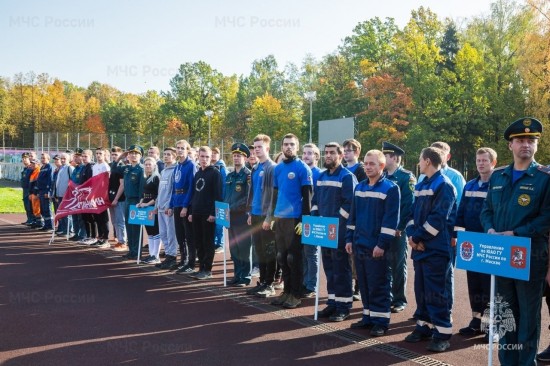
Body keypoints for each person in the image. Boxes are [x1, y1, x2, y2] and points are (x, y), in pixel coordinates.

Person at [481, 117, 550, 365]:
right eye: (520, 140)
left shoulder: (545, 177)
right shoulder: (498, 177)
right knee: (506, 313)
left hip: (530, 257)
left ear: (536, 146)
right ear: (510, 145)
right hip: (501, 256)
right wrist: (489, 229)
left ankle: (525, 362)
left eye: (531, 140)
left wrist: (516, 233)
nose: (526, 145)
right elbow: (486, 210)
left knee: (529, 317)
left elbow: (547, 217)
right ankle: (508, 361)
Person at [404, 146, 456, 352]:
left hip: (436, 249)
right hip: (420, 247)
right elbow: (411, 212)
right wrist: (411, 235)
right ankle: (423, 326)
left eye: (419, 159)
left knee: (436, 292)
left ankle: (442, 333)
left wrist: (417, 237)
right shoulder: (422, 183)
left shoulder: (444, 184)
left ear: (427, 161)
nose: (418, 162)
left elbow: (438, 218)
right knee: (421, 289)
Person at [345, 150, 399, 336]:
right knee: (365, 283)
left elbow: (390, 221)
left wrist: (382, 245)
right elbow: (352, 217)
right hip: (359, 244)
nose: (367, 167)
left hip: (376, 247)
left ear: (381, 166)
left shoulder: (391, 189)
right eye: (366, 163)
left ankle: (381, 321)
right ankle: (367, 316)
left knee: (379, 283)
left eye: (372, 164)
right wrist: (349, 239)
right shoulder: (359, 187)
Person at [454, 147, 497, 339]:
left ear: (493, 163)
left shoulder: (498, 185)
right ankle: (476, 321)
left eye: (484, 160)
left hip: (489, 243)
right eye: (478, 160)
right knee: (474, 285)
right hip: (470, 243)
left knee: (490, 285)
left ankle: (492, 325)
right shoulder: (470, 185)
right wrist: (455, 233)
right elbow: (460, 211)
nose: (480, 164)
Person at [313, 142, 357, 322]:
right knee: (329, 268)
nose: (328, 155)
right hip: (324, 231)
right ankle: (332, 302)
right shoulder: (322, 176)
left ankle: (343, 306)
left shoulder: (347, 177)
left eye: (332, 153)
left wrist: (335, 222)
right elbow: (315, 200)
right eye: (326, 153)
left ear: (340, 155)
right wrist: (315, 216)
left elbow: (350, 204)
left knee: (341, 269)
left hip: (339, 232)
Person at [270, 133, 313, 309]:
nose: (288, 147)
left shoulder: (303, 169)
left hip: (295, 220)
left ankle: (296, 294)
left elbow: (308, 199)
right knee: (281, 257)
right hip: (280, 219)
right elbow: (275, 195)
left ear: (297, 147)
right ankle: (286, 292)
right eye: (286, 144)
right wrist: (272, 216)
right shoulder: (278, 169)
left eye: (292, 144)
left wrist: (304, 221)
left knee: (293, 258)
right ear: (281, 147)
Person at [382, 142, 416, 313]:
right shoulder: (382, 176)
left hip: (397, 230)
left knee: (397, 264)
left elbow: (408, 205)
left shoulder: (405, 177)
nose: (383, 158)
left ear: (394, 157)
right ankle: (385, 296)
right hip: (382, 229)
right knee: (383, 263)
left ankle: (399, 299)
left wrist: (400, 227)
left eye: (385, 155)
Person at [246, 134, 277, 297]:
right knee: (259, 251)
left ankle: (269, 284)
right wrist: (250, 212)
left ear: (267, 148)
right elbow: (252, 193)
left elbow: (273, 196)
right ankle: (262, 281)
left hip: (266, 217)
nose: (256, 150)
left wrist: (269, 218)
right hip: (255, 214)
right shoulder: (255, 168)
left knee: (268, 251)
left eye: (259, 147)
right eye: (255, 147)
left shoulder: (272, 168)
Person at [188, 146, 223, 280]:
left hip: (208, 214)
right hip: (196, 212)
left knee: (208, 242)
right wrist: (191, 211)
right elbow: (195, 194)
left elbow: (218, 195)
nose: (204, 159)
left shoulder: (215, 173)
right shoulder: (198, 173)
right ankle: (201, 267)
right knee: (198, 242)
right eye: (202, 156)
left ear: (211, 157)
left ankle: (207, 269)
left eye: (207, 157)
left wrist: (213, 213)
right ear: (198, 156)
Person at [342, 138, 367, 301]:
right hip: (344, 219)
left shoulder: (362, 170)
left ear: (357, 152)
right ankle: (348, 285)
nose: (345, 153)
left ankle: (358, 288)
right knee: (345, 254)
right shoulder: (343, 170)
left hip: (356, 218)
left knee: (356, 255)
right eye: (344, 150)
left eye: (349, 150)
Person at [225, 143, 252, 286]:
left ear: (245, 158)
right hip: (230, 216)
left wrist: (245, 212)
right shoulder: (229, 176)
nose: (236, 158)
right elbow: (226, 196)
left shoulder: (248, 175)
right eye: (235, 156)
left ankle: (245, 276)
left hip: (242, 215)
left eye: (239, 156)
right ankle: (237, 274)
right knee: (234, 247)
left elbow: (248, 196)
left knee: (243, 247)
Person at [112, 145, 145, 260]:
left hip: (136, 201)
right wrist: (121, 156)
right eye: (131, 153)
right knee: (129, 227)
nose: (133, 155)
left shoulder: (141, 169)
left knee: (135, 228)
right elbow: (114, 168)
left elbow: (141, 188)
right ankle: (131, 251)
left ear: (141, 156)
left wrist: (140, 202)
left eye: (136, 153)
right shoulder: (127, 168)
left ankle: (137, 252)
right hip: (127, 200)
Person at [169, 139, 197, 273]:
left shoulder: (191, 165)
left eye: (182, 148)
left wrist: (186, 206)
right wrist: (171, 204)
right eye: (178, 148)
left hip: (186, 203)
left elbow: (192, 187)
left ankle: (191, 262)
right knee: (179, 234)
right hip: (177, 202)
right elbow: (174, 187)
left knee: (189, 235)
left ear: (187, 150)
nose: (180, 150)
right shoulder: (177, 166)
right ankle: (183, 260)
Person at [301, 143, 322, 298]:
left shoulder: (319, 174)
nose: (306, 156)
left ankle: (311, 285)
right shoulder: (301, 171)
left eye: (310, 153)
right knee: (301, 253)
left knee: (310, 253)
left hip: (313, 219)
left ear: (316, 156)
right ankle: (303, 282)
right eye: (304, 153)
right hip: (299, 218)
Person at [155, 147, 178, 270]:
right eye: (164, 154)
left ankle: (172, 257)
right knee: (163, 233)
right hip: (160, 207)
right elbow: (160, 190)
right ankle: (168, 256)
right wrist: (156, 204)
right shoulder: (163, 171)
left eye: (169, 154)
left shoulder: (175, 170)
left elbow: (173, 191)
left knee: (171, 234)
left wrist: (169, 205)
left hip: (168, 209)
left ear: (174, 156)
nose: (166, 156)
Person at [138, 157, 161, 264]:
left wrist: (147, 204)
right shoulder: (146, 178)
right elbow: (144, 194)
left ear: (154, 166)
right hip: (145, 208)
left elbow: (157, 195)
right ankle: (151, 254)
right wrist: (141, 202)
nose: (147, 166)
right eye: (146, 164)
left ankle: (156, 256)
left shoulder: (156, 178)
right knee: (150, 233)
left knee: (155, 231)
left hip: (152, 208)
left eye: (149, 164)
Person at [90, 147, 111, 248]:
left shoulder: (105, 166)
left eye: (100, 154)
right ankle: (100, 237)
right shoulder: (94, 166)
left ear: (104, 155)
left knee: (103, 217)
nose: (98, 155)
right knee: (97, 216)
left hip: (102, 195)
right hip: (95, 194)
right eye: (97, 153)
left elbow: (106, 182)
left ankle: (106, 239)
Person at [109, 147, 127, 251]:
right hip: (111, 197)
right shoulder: (113, 166)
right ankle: (119, 240)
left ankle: (123, 242)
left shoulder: (122, 167)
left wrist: (116, 198)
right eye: (113, 154)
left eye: (116, 155)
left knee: (120, 221)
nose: (114, 156)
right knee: (115, 221)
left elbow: (122, 185)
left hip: (120, 198)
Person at [212, 147, 228, 253]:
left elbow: (224, 185)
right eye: (212, 153)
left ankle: (220, 244)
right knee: (214, 223)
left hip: (221, 200)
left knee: (219, 223)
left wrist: (222, 199)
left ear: (219, 154)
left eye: (215, 153)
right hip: (212, 200)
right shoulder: (211, 167)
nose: (213, 155)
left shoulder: (222, 167)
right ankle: (215, 243)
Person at [53, 153, 73, 236]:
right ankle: (65, 230)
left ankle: (69, 231)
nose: (62, 160)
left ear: (68, 159)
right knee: (62, 213)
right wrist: (56, 194)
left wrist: (70, 193)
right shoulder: (60, 168)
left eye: (64, 158)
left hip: (67, 195)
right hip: (60, 195)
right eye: (61, 158)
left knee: (67, 213)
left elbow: (72, 182)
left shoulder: (70, 168)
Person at [69, 148, 86, 241]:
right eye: (75, 156)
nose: (75, 158)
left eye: (77, 156)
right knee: (74, 215)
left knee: (81, 217)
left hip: (81, 196)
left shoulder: (83, 168)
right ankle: (76, 233)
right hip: (73, 195)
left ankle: (82, 234)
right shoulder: (76, 169)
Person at [36, 152, 53, 231]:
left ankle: (50, 225)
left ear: (48, 159)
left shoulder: (49, 167)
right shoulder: (42, 167)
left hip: (46, 191)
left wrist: (48, 192)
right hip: (41, 191)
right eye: (41, 158)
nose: (42, 159)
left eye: (44, 158)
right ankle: (46, 225)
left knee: (47, 209)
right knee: (43, 209)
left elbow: (50, 180)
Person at [20, 152, 34, 225]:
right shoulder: (25, 168)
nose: (24, 160)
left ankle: (32, 220)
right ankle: (29, 219)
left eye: (26, 158)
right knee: (26, 205)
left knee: (30, 205)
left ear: (29, 159)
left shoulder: (31, 168)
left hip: (29, 190)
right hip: (25, 189)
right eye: (23, 158)